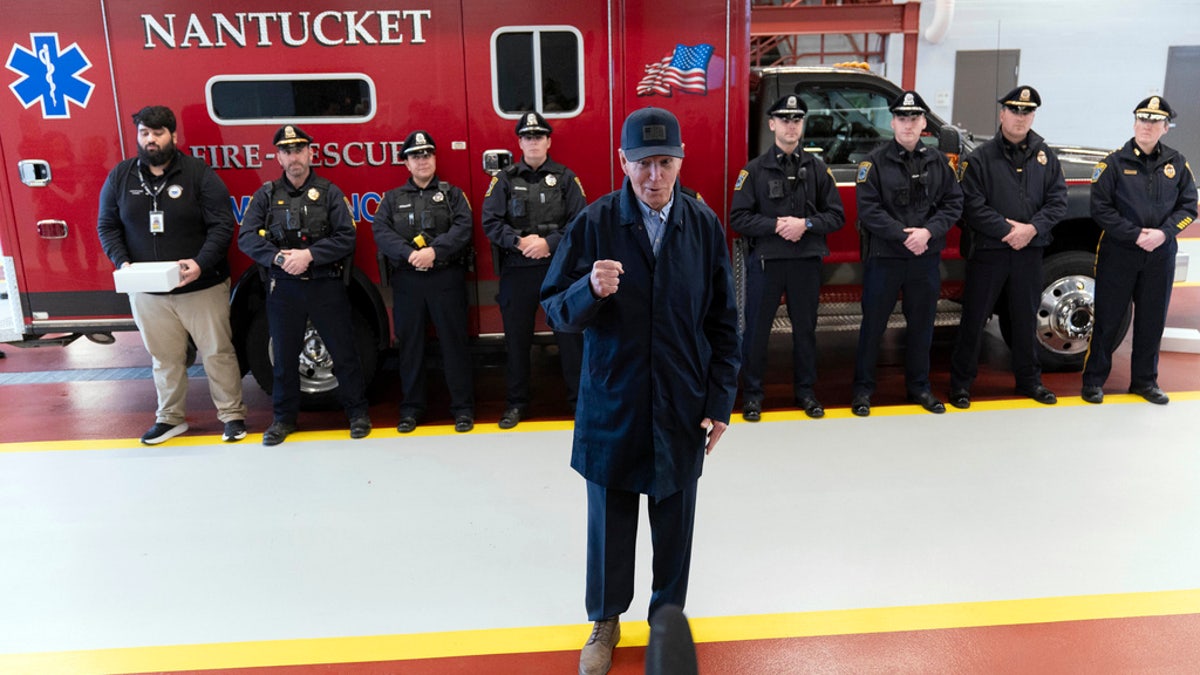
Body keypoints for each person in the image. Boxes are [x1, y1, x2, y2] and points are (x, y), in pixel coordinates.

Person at [540, 107, 740, 675]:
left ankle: (666, 622)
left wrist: (720, 403)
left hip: (682, 402)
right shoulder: (595, 223)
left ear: (680, 161)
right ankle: (605, 621)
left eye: (665, 162)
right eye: (643, 163)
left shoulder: (702, 225)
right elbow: (554, 309)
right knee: (610, 522)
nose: (654, 175)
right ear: (622, 162)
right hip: (614, 400)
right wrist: (588, 288)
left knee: (675, 523)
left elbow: (724, 322)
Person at [97, 105, 247, 445]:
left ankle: (232, 416)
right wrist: (123, 262)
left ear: (173, 136)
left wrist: (200, 263)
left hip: (201, 286)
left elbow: (222, 225)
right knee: (164, 359)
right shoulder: (121, 176)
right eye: (144, 133)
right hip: (148, 291)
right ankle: (170, 419)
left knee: (217, 352)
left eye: (158, 133)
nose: (150, 140)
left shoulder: (198, 174)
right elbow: (107, 225)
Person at [238, 124, 372, 445]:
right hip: (284, 287)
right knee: (284, 359)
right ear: (278, 158)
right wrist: (279, 258)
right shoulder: (266, 195)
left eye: (299, 150)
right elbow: (246, 237)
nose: (293, 157)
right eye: (287, 151)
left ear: (310, 153)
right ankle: (283, 420)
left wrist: (309, 255)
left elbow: (347, 237)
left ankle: (357, 414)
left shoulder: (330, 193)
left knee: (344, 353)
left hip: (324, 285)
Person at [948, 86, 1067, 408]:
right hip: (989, 252)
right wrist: (1007, 230)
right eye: (1014, 110)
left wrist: (1032, 229)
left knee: (1026, 320)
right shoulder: (980, 158)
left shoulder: (1046, 157)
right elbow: (971, 205)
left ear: (1033, 116)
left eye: (1027, 112)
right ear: (1002, 114)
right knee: (975, 319)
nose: (1020, 117)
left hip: (1029, 251)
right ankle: (961, 385)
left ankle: (1030, 381)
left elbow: (1058, 201)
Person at [730, 94, 845, 422]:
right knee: (756, 331)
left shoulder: (818, 169)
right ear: (772, 124)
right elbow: (738, 218)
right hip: (767, 263)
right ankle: (753, 395)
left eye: (796, 120)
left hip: (805, 263)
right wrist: (777, 226)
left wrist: (805, 225)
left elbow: (836, 215)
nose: (791, 125)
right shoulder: (754, 170)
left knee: (805, 331)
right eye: (784, 119)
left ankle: (806, 392)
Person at [851, 91, 963, 417]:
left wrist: (927, 232)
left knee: (922, 326)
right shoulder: (873, 162)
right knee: (873, 326)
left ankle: (919, 387)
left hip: (924, 258)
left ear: (924, 122)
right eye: (902, 118)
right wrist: (905, 236)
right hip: (885, 258)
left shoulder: (938, 162)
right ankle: (862, 390)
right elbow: (869, 209)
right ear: (893, 122)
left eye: (914, 118)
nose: (908, 124)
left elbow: (953, 203)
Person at [1081, 96, 1197, 405]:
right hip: (1119, 252)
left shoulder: (1177, 163)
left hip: (1160, 253)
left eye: (1155, 121)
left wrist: (1163, 233)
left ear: (1165, 128)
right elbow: (1100, 209)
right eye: (1142, 119)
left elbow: (1189, 207)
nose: (1147, 126)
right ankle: (1094, 381)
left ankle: (1145, 381)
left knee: (1152, 320)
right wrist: (1135, 235)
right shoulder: (1112, 163)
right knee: (1108, 319)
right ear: (1134, 123)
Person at [481, 112, 586, 428]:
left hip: (558, 269)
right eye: (528, 137)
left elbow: (579, 221)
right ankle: (516, 404)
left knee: (570, 338)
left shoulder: (566, 178)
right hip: (518, 269)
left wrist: (549, 243)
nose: (534, 142)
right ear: (520, 143)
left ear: (548, 141)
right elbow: (490, 222)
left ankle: (580, 404)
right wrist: (518, 241)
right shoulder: (504, 179)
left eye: (539, 137)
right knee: (516, 341)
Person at [372, 131, 475, 433]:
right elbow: (381, 231)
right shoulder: (392, 199)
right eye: (415, 156)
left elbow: (464, 227)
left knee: (454, 344)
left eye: (427, 154)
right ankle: (411, 409)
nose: (422, 161)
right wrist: (409, 254)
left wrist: (435, 251)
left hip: (445, 277)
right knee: (411, 347)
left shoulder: (453, 195)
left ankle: (463, 408)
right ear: (406, 163)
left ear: (434, 159)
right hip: (408, 281)